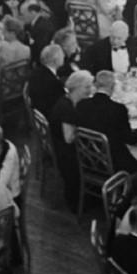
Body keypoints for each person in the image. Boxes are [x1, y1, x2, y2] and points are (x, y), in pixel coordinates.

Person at [74, 70, 137, 172]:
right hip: (114, 162)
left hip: (89, 158)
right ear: (113, 86)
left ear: (96, 85)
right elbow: (130, 139)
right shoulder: (118, 109)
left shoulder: (81, 104)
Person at [47, 68, 93, 207]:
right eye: (87, 87)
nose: (90, 90)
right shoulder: (66, 108)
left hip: (60, 146)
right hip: (68, 156)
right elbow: (69, 138)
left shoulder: (67, 100)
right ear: (76, 88)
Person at [0, 19, 31, 102]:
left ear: (12, 34)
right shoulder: (27, 49)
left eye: (4, 32)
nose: (2, 34)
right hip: (19, 86)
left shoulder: (4, 47)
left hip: (4, 87)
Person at [27, 43, 65, 114]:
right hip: (50, 114)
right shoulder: (54, 82)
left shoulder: (35, 72)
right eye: (62, 54)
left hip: (37, 110)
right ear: (55, 60)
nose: (64, 56)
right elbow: (61, 102)